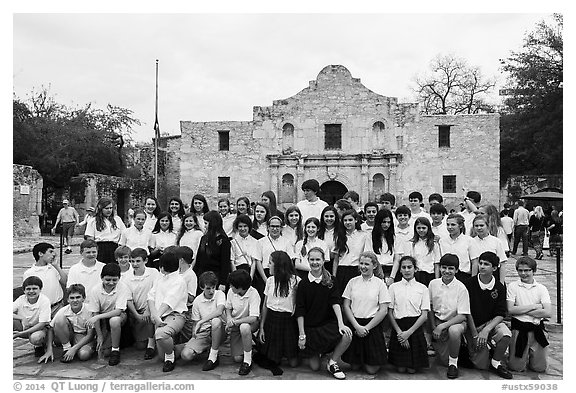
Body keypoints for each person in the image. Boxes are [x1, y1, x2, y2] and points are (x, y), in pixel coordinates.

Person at [295, 247, 353, 380]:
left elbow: (335, 302)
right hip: (311, 328)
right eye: (312, 260)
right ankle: (320, 353)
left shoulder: (331, 280)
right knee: (315, 367)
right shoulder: (303, 283)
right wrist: (302, 334)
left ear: (323, 260)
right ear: (308, 260)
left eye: (318, 259)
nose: (315, 262)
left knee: (347, 334)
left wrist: (341, 324)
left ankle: (332, 362)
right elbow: (300, 310)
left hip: (327, 324)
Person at [464, 251, 513, 379]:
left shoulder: (499, 287)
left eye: (486, 264)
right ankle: (485, 350)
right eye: (480, 263)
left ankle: (496, 362)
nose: (482, 266)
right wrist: (475, 334)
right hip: (472, 325)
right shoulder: (469, 284)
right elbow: (466, 311)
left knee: (506, 333)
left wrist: (486, 330)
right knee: (481, 365)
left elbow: (501, 313)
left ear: (495, 268)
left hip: (490, 324)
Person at [341, 251, 390, 375]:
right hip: (355, 323)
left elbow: (383, 310)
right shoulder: (352, 282)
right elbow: (346, 305)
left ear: (374, 266)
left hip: (371, 327)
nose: (363, 266)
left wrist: (366, 328)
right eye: (361, 263)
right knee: (354, 367)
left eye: (367, 264)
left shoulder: (380, 284)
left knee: (371, 370)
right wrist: (357, 327)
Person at [428, 254, 470, 379]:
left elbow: (462, 315)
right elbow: (429, 307)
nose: (447, 271)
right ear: (439, 268)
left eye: (451, 268)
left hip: (455, 322)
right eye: (444, 267)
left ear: (457, 270)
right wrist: (433, 326)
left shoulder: (461, 288)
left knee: (454, 331)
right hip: (436, 320)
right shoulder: (433, 284)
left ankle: (453, 363)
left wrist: (441, 327)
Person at [507, 256, 551, 373]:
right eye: (520, 270)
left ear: (533, 271)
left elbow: (547, 312)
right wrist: (535, 306)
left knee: (540, 368)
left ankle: (534, 358)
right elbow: (510, 310)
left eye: (527, 270)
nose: (523, 273)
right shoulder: (513, 286)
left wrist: (520, 309)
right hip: (519, 329)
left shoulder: (541, 288)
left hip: (537, 329)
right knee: (516, 367)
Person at [387, 256, 430, 374]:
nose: (406, 270)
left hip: (415, 328)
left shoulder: (423, 288)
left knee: (411, 370)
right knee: (400, 369)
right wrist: (400, 333)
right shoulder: (393, 287)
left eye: (409, 267)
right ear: (399, 270)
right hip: (398, 328)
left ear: (415, 269)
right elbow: (390, 313)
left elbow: (424, 315)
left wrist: (408, 333)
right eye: (403, 267)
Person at [259, 250, 301, 370]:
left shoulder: (296, 281)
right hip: (272, 320)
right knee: (273, 361)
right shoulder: (270, 281)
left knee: (293, 363)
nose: (268, 265)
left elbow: (299, 306)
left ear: (279, 265)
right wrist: (262, 327)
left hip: (288, 321)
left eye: (270, 262)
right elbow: (265, 305)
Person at [147, 252, 188, 372]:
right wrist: (156, 316)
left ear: (162, 267)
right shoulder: (160, 278)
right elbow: (151, 296)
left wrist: (157, 316)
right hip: (159, 315)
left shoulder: (179, 281)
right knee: (161, 356)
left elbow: (169, 302)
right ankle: (184, 347)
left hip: (175, 315)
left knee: (161, 334)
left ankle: (170, 358)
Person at [180, 271, 226, 371]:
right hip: (204, 332)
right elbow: (196, 322)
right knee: (186, 355)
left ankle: (213, 356)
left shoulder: (220, 294)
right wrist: (194, 333)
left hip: (219, 329)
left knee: (216, 321)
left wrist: (202, 321)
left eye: (213, 287)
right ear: (202, 288)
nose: (211, 291)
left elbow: (219, 311)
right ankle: (203, 347)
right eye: (208, 288)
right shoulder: (197, 300)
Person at [86, 263, 130, 366]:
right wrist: (100, 335)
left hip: (117, 316)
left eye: (114, 280)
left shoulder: (123, 287)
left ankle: (115, 350)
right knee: (105, 352)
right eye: (108, 280)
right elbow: (95, 312)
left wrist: (98, 316)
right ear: (101, 278)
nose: (111, 283)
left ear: (119, 278)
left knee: (114, 320)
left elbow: (118, 311)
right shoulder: (95, 290)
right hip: (102, 318)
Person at [122, 247, 160, 359]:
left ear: (146, 261)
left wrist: (148, 310)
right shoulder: (126, 277)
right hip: (135, 311)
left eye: (138, 261)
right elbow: (128, 298)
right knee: (139, 345)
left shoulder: (153, 273)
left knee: (149, 315)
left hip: (150, 308)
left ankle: (151, 344)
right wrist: (136, 314)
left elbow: (155, 293)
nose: (135, 264)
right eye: (132, 261)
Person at [44, 284, 95, 363]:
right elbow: (50, 328)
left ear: (83, 298)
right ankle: (66, 348)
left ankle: (76, 349)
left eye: (78, 297)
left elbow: (90, 335)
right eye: (72, 298)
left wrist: (74, 349)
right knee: (59, 320)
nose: (75, 300)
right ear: (67, 300)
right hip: (71, 334)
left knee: (84, 355)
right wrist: (49, 349)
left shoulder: (90, 310)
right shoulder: (63, 310)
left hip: (84, 336)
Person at [225, 269, 261, 376]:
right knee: (237, 358)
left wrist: (235, 322)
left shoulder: (254, 293)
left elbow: (253, 318)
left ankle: (247, 361)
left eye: (232, 285)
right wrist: (229, 318)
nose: (230, 287)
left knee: (244, 327)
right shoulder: (231, 292)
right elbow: (228, 308)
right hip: (236, 324)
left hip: (248, 324)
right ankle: (249, 346)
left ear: (240, 287)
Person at [253, 216, 293, 300]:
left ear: (281, 228)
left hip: (282, 275)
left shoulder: (287, 242)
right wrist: (265, 279)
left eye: (277, 226)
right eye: (272, 226)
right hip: (265, 273)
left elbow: (290, 261)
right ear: (268, 227)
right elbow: (258, 261)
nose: (275, 229)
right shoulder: (260, 242)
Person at [23, 243, 67, 317]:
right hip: (41, 309)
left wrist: (56, 266)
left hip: (57, 307)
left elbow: (65, 281)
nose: (54, 254)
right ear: (40, 254)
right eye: (50, 252)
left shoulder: (53, 268)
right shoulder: (29, 273)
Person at [13, 276, 51, 358]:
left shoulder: (45, 301)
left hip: (38, 329)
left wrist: (21, 334)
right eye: (28, 289)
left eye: (34, 288)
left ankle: (39, 345)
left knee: (36, 338)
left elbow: (42, 324)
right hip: (24, 326)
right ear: (24, 290)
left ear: (40, 289)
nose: (31, 291)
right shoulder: (21, 299)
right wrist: (22, 318)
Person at [193, 210, 232, 293]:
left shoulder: (223, 240)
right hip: (202, 276)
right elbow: (199, 259)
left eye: (206, 223)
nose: (205, 226)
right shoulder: (204, 238)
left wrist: (223, 282)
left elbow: (225, 263)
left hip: (215, 276)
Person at [333, 209, 369, 290]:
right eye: (345, 220)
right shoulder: (339, 236)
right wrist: (334, 276)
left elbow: (365, 254)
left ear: (356, 220)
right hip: (342, 270)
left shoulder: (363, 235)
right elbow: (336, 259)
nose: (347, 222)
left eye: (350, 220)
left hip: (356, 269)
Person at [399, 217, 440, 287]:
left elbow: (436, 264)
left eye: (424, 228)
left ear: (428, 228)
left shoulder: (434, 244)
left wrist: (437, 281)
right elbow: (408, 261)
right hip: (415, 275)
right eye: (418, 228)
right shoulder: (411, 243)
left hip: (429, 275)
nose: (421, 230)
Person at [85, 197, 127, 264]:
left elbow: (124, 234)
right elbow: (90, 239)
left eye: (110, 208)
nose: (109, 210)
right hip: (100, 249)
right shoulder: (93, 221)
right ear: (100, 208)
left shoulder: (117, 219)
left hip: (115, 248)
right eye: (106, 208)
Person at [470, 215, 508, 285]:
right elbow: (474, 263)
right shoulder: (471, 242)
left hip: (494, 274)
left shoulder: (496, 241)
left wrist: (501, 283)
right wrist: (473, 282)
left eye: (481, 225)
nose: (479, 228)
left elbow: (502, 263)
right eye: (476, 226)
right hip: (479, 275)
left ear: (487, 226)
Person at [439, 214, 475, 283]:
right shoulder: (442, 241)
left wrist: (473, 280)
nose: (450, 227)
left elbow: (474, 262)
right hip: (446, 275)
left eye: (453, 225)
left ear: (460, 226)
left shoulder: (469, 241)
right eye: (448, 224)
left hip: (464, 275)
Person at [175, 246, 198, 344]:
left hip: (186, 311)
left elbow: (191, 298)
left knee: (186, 337)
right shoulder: (175, 272)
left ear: (181, 260)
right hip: (174, 308)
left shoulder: (191, 276)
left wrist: (180, 288)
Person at [369, 209, 398, 284]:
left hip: (391, 270)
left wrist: (392, 277)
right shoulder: (369, 237)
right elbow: (369, 255)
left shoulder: (396, 237)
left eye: (389, 222)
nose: (386, 225)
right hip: (375, 270)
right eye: (384, 222)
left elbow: (397, 259)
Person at [318, 205, 340, 274]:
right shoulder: (318, 231)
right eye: (326, 216)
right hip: (320, 263)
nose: (329, 219)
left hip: (336, 263)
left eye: (331, 216)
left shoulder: (340, 231)